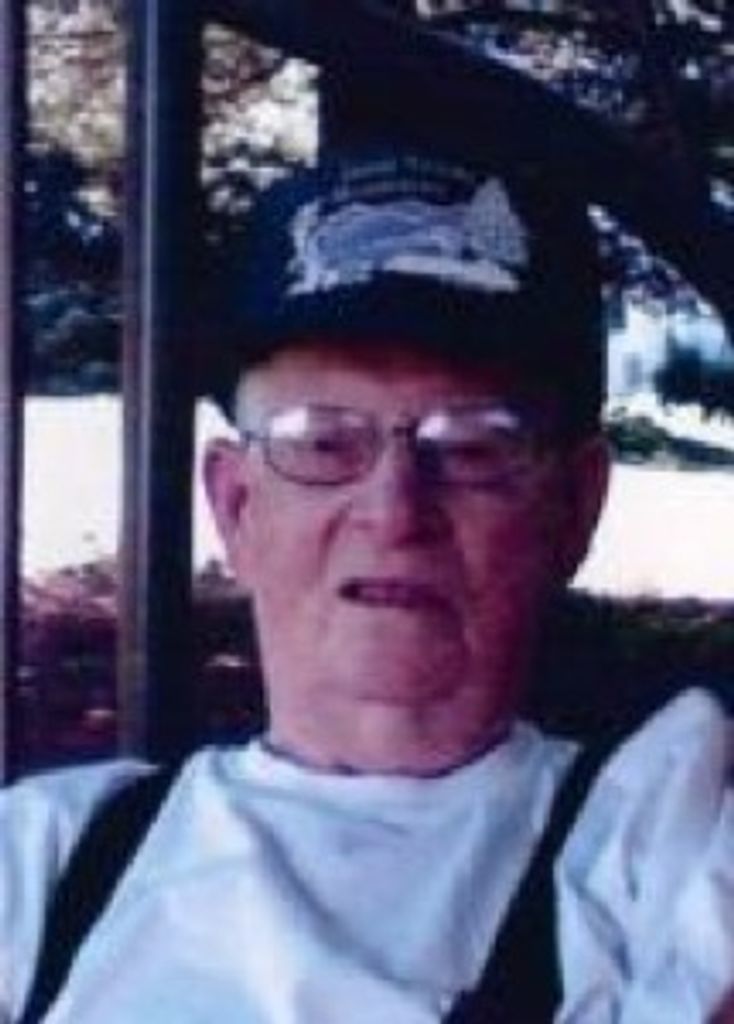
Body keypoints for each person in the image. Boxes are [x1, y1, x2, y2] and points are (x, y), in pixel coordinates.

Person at [2, 146, 733, 1024]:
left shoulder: (659, 858)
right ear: (236, 504)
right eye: (322, 441)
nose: (393, 511)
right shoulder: (43, 870)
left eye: (473, 446)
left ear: (574, 507)